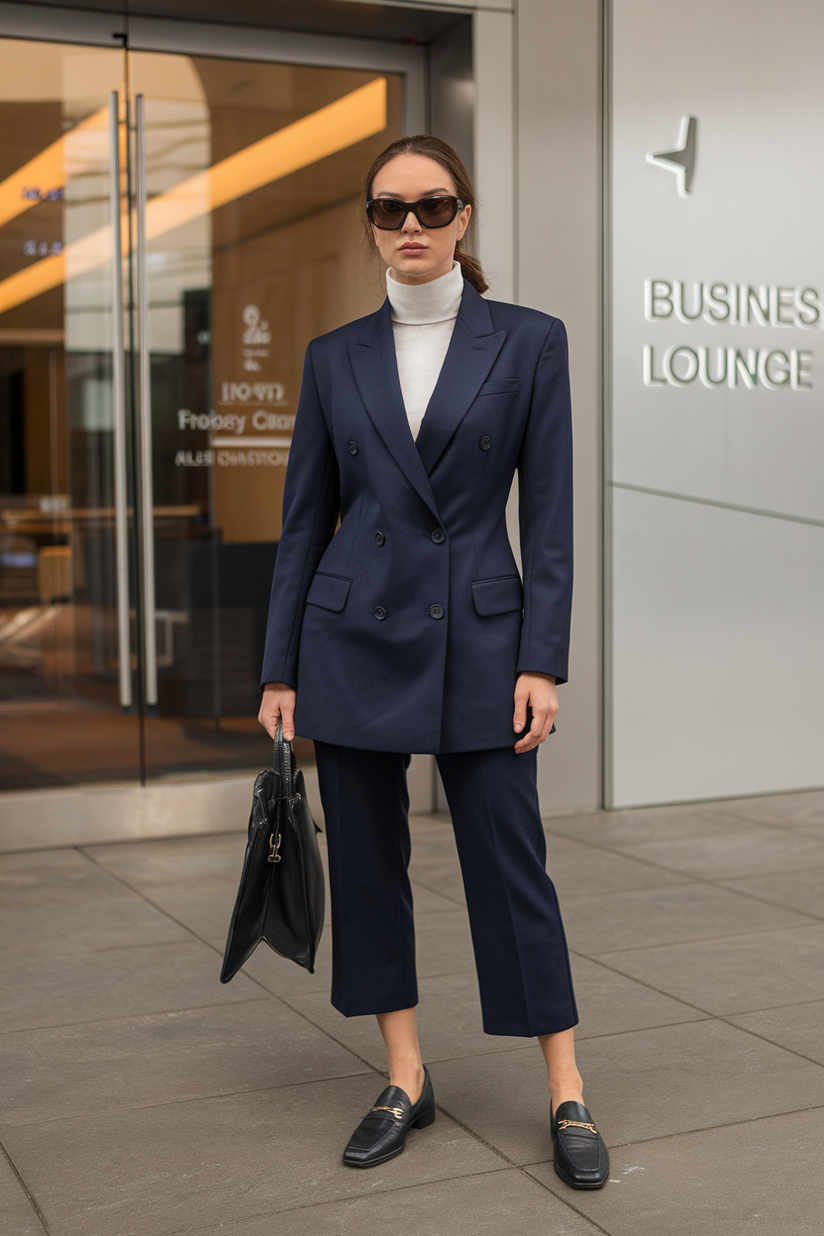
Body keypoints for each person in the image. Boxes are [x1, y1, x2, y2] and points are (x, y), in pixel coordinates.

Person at [258, 134, 608, 1190]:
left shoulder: (528, 342)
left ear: (463, 218)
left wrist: (540, 659)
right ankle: (405, 1077)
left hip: (484, 643)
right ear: (369, 223)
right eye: (387, 209)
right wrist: (280, 670)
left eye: (430, 205)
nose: (408, 225)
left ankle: (564, 1086)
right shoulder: (332, 357)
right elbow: (301, 526)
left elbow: (547, 518)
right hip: (348, 640)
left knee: (512, 868)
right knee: (367, 871)